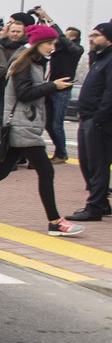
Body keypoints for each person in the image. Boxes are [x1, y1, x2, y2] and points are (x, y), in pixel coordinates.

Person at [0, 25, 83, 236]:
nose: (52, 48)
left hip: (23, 124)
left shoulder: (36, 63)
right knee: (46, 171)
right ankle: (55, 222)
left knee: (1, 171)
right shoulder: (24, 62)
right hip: (23, 125)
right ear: (38, 44)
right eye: (49, 44)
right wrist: (53, 86)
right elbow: (24, 93)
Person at [65, 23, 112, 222]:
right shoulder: (99, 59)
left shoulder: (109, 60)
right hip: (88, 119)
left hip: (98, 121)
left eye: (96, 35)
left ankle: (94, 207)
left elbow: (110, 93)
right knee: (88, 164)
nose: (91, 39)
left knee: (97, 165)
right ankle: (101, 203)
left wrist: (99, 118)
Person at [34, 7, 83, 163]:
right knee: (49, 124)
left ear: (73, 38)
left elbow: (61, 38)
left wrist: (49, 18)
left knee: (56, 124)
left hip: (63, 91)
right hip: (52, 87)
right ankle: (59, 151)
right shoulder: (57, 51)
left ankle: (61, 154)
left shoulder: (75, 50)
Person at [0, 20, 27, 118]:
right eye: (13, 31)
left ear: (23, 33)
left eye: (18, 32)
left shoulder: (25, 49)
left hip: (14, 87)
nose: (15, 34)